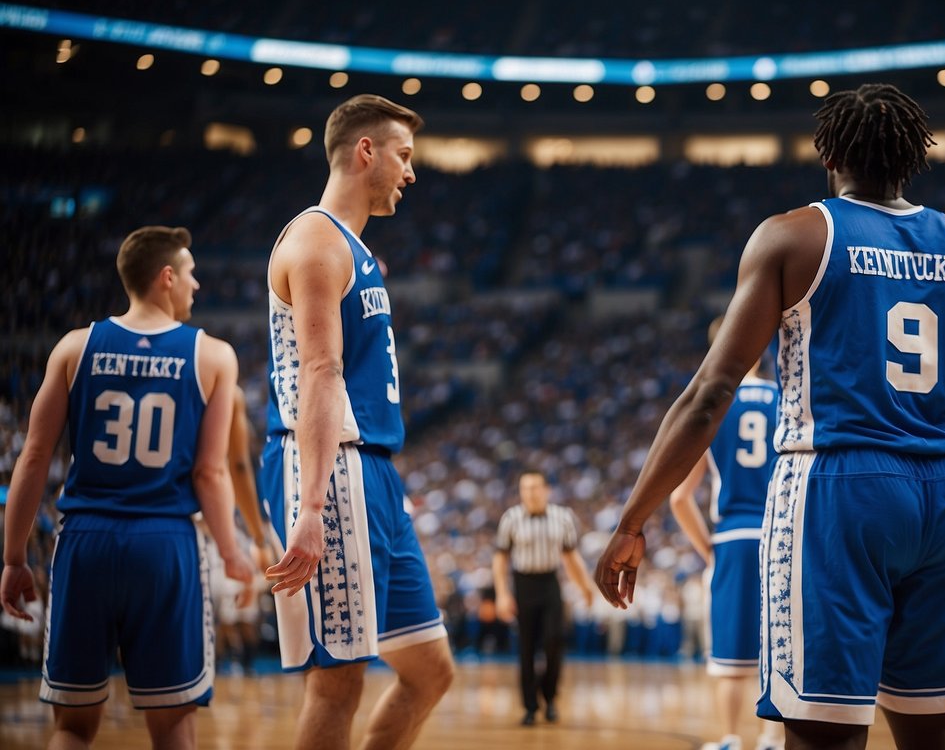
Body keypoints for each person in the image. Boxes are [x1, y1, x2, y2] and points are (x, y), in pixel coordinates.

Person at [595, 83, 945, 750]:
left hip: (837, 488)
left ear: (827, 155)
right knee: (934, 735)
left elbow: (710, 392)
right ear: (913, 159)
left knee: (823, 734)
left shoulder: (793, 236)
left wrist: (631, 520)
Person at [1, 225, 255, 749]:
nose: (196, 285)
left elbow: (33, 457)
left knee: (73, 727)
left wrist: (13, 558)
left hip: (85, 541)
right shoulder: (213, 357)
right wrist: (232, 552)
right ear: (166, 278)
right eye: (189, 273)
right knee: (172, 727)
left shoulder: (75, 347)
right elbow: (211, 473)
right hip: (164, 544)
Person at [259, 94, 454, 750]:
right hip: (330, 468)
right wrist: (310, 506)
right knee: (336, 681)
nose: (410, 171)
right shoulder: (316, 238)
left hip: (372, 473)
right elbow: (319, 372)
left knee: (430, 671)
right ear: (364, 150)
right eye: (403, 154)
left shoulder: (354, 250)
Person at [669, 317, 786, 750]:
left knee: (729, 658)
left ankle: (731, 738)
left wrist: (710, 552)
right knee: (781, 646)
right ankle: (772, 737)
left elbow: (680, 498)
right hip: (780, 538)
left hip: (732, 538)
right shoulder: (786, 398)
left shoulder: (714, 405)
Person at [492, 470, 596, 725]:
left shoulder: (563, 517)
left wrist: (586, 586)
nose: (530, 492)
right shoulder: (511, 518)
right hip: (523, 583)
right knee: (526, 648)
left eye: (535, 487)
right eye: (525, 488)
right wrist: (502, 594)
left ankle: (549, 698)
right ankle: (530, 707)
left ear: (547, 489)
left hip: (550, 582)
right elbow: (500, 559)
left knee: (554, 641)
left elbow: (570, 557)